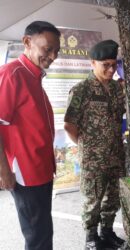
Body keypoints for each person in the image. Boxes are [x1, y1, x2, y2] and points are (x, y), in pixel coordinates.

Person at [0, 21, 60, 250]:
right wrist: (3, 169)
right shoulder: (11, 74)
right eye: (48, 49)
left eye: (56, 51)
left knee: (43, 230)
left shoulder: (34, 77)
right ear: (27, 42)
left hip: (41, 168)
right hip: (26, 172)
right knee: (37, 235)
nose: (53, 56)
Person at [64, 40, 126, 250]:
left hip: (116, 154)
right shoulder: (81, 90)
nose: (111, 69)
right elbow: (69, 125)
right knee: (93, 201)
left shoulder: (118, 88)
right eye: (105, 65)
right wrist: (87, 146)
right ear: (92, 63)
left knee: (112, 198)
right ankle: (91, 238)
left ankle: (106, 233)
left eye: (113, 64)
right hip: (93, 159)